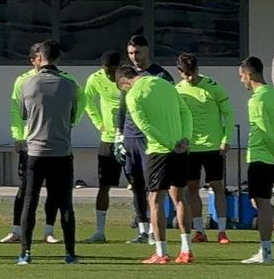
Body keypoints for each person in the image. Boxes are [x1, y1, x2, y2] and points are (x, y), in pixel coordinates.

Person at [117, 63, 191, 265]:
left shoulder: (133, 95)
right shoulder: (165, 84)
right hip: (180, 148)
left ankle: (161, 251)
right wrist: (185, 137)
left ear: (124, 82)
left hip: (159, 150)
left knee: (155, 199)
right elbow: (185, 111)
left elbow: (144, 126)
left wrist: (168, 143)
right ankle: (186, 249)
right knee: (180, 197)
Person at [16, 40, 82, 266]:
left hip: (35, 151)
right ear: (57, 58)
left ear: (39, 58)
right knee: (65, 203)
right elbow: (73, 116)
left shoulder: (28, 83)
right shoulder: (70, 85)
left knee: (30, 202)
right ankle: (70, 253)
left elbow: (24, 114)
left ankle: (25, 252)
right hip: (62, 152)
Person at [238, 56, 274, 265]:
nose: (241, 81)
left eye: (242, 76)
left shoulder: (257, 99)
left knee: (261, 203)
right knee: (258, 201)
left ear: (250, 74)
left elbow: (265, 131)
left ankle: (266, 251)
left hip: (262, 156)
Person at [120, 34, 174, 245]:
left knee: (154, 185)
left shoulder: (160, 75)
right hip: (130, 135)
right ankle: (142, 229)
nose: (135, 57)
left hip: (150, 137)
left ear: (147, 50)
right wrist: (119, 134)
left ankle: (155, 229)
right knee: (135, 183)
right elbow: (122, 107)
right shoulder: (128, 75)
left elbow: (169, 104)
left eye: (138, 52)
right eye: (131, 53)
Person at [175, 52, 233, 245]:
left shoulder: (213, 87)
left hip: (213, 146)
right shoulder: (178, 90)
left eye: (192, 73)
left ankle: (222, 231)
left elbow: (229, 114)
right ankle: (199, 231)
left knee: (218, 187)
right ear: (180, 73)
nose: (190, 78)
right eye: (186, 74)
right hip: (191, 149)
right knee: (192, 189)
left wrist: (226, 138)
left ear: (197, 69)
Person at [0, 60, 53, 245]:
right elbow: (16, 110)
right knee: (25, 189)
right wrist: (18, 136)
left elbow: (77, 103)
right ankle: (17, 230)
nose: (43, 61)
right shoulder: (23, 80)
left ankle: (49, 230)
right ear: (33, 60)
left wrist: (66, 127)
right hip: (29, 145)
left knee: (53, 190)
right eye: (39, 58)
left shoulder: (60, 79)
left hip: (53, 144)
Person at [79, 50, 123, 243]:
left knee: (140, 186)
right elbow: (86, 101)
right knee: (104, 186)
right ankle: (99, 231)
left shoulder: (129, 77)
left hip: (130, 138)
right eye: (107, 72)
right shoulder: (95, 79)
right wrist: (99, 123)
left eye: (112, 72)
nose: (110, 76)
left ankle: (144, 231)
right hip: (108, 138)